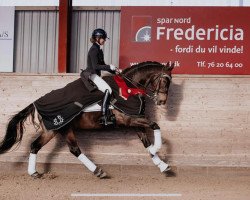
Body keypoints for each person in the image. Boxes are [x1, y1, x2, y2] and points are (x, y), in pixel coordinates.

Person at [85, 28, 117, 126]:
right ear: (97, 38)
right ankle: (104, 116)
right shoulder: (94, 50)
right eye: (103, 38)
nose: (105, 40)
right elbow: (95, 66)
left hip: (96, 75)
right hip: (92, 75)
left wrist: (114, 71)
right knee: (108, 89)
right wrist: (108, 66)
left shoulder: (99, 49)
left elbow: (102, 64)